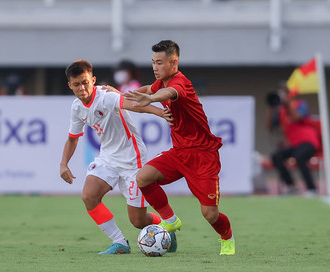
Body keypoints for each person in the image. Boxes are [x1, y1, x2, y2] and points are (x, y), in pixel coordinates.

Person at [123, 40, 235, 255]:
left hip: (203, 156)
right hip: (179, 153)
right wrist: (132, 94)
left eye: (159, 63)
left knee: (210, 214)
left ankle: (227, 237)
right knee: (143, 177)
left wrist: (152, 98)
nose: (155, 67)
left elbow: (170, 93)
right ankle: (170, 220)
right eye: (153, 62)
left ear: (173, 62)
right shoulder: (161, 83)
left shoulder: (180, 82)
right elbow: (151, 89)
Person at [59, 59, 175, 255]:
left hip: (132, 159)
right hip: (108, 158)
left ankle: (167, 230)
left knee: (138, 221)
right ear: (70, 85)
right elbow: (72, 139)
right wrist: (63, 164)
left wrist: (161, 113)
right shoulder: (76, 107)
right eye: (77, 84)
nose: (82, 88)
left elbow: (134, 105)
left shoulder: (106, 97)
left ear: (93, 80)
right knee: (89, 196)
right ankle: (120, 242)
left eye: (85, 82)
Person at [265, 84, 321, 196]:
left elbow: (297, 117)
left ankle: (312, 189)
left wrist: (287, 104)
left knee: (299, 156)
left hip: (308, 141)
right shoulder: (280, 112)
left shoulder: (300, 104)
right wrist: (271, 107)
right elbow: (269, 127)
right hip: (295, 144)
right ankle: (292, 186)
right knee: (277, 156)